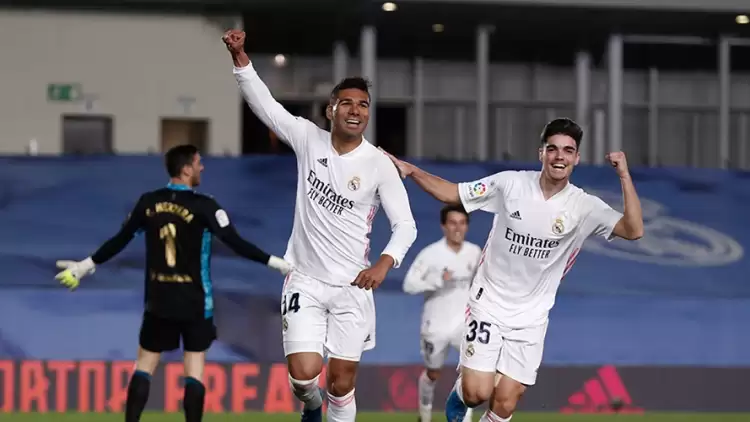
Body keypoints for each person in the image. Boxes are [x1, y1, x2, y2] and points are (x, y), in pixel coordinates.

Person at [381, 118, 644, 422]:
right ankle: (461, 393)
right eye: (553, 149)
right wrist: (413, 171)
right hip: (488, 304)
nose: (559, 156)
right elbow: (453, 193)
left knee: (505, 403)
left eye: (568, 151)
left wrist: (624, 175)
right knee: (476, 394)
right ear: (541, 153)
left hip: (532, 317)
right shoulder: (510, 184)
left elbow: (634, 229)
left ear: (576, 158)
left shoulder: (585, 207)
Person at [222, 29, 417, 422]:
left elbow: (406, 226)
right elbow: (266, 106)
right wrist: (240, 58)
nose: (355, 110)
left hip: (352, 287)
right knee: (303, 375)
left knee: (341, 385)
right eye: (347, 103)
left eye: (363, 105)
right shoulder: (309, 139)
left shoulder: (379, 165)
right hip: (305, 280)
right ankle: (311, 406)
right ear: (331, 110)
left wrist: (385, 262)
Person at [54, 144, 291, 422]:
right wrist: (275, 263)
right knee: (194, 369)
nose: (202, 167)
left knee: (144, 365)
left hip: (159, 300)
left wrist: (85, 266)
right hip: (195, 301)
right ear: (187, 169)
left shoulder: (149, 203)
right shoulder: (205, 206)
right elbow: (235, 243)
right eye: (198, 163)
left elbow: (120, 240)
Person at [402, 204, 481, 422]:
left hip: (464, 324)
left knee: (470, 373)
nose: (458, 228)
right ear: (443, 226)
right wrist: (437, 281)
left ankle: (464, 419)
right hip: (435, 324)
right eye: (453, 223)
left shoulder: (474, 252)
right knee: (433, 373)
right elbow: (409, 284)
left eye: (462, 223)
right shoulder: (431, 254)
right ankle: (424, 415)